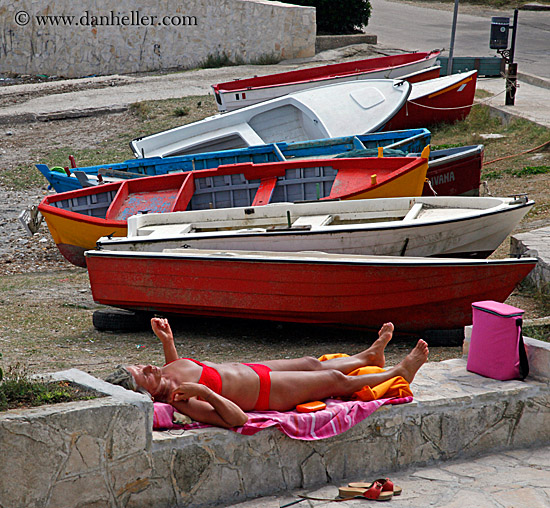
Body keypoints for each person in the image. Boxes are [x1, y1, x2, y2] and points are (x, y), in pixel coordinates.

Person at [106, 318, 429, 428]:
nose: (148, 367)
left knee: (310, 363)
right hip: (266, 394)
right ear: (146, 393)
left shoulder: (166, 372)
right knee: (334, 382)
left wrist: (168, 341)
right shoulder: (183, 401)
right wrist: (205, 393)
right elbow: (238, 420)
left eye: (141, 365)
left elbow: (181, 372)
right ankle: (399, 371)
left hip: (252, 370)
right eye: (142, 374)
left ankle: (367, 355)